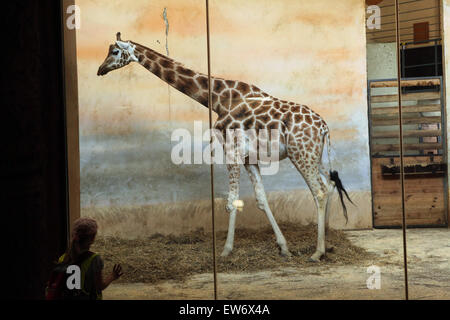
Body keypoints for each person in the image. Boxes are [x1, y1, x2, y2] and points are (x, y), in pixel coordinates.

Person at [54, 217, 123, 300]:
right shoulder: (95, 260)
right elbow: (100, 286)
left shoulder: (63, 258)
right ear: (92, 239)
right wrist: (112, 276)